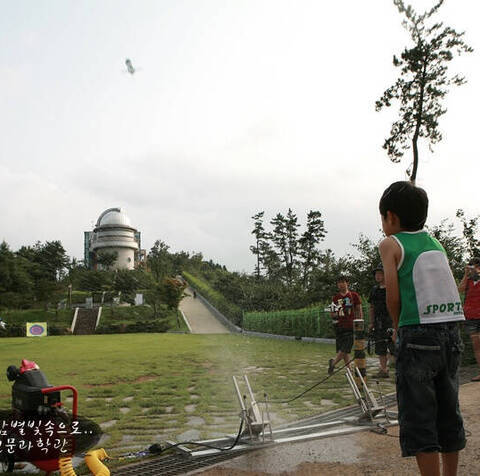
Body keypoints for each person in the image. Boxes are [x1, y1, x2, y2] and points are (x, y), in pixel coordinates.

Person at [378, 181, 465, 476]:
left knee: (420, 415)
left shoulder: (391, 243)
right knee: (448, 412)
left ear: (391, 217)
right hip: (451, 334)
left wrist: (395, 325)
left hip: (417, 335)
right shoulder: (435, 243)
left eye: (382, 219)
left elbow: (393, 293)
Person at [328, 276, 363, 375]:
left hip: (351, 325)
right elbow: (332, 313)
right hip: (339, 326)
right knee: (344, 349)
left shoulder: (354, 295)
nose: (340, 284)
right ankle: (349, 368)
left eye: (342, 282)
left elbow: (358, 310)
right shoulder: (335, 298)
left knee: (346, 347)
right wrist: (336, 314)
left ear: (347, 283)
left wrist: (360, 323)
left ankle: (333, 362)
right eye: (338, 283)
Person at [368, 263, 394, 378]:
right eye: (376, 274)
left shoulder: (392, 288)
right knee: (380, 346)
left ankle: (398, 370)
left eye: (380, 273)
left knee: (394, 345)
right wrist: (371, 322)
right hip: (379, 322)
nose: (378, 276)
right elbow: (372, 307)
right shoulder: (374, 290)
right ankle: (383, 369)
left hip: (391, 320)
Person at [458, 257, 480, 382]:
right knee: (477, 346)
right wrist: (466, 275)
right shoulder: (469, 280)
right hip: (471, 315)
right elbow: (460, 290)